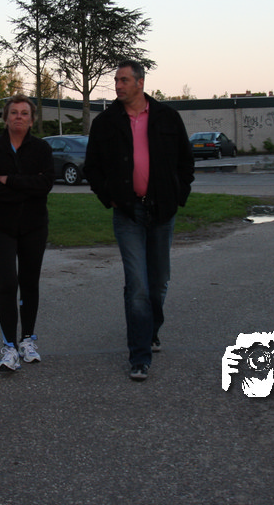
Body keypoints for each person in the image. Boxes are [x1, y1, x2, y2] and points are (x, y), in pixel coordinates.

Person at [84, 61, 195, 381]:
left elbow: (185, 162)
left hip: (162, 211)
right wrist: (110, 196)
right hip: (127, 212)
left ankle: (151, 329)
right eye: (116, 80)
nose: (118, 85)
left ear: (140, 83)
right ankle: (139, 356)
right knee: (137, 285)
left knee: (158, 282)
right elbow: (92, 167)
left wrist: (177, 194)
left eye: (124, 80)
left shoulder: (167, 117)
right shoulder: (106, 122)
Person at [0, 97, 55, 371]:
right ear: (5, 118)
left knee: (30, 282)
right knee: (8, 283)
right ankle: (9, 346)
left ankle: (27, 340)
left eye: (24, 113)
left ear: (32, 119)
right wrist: (26, 190)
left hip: (34, 226)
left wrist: (10, 181)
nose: (19, 117)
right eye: (14, 112)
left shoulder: (42, 148)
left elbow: (45, 183)